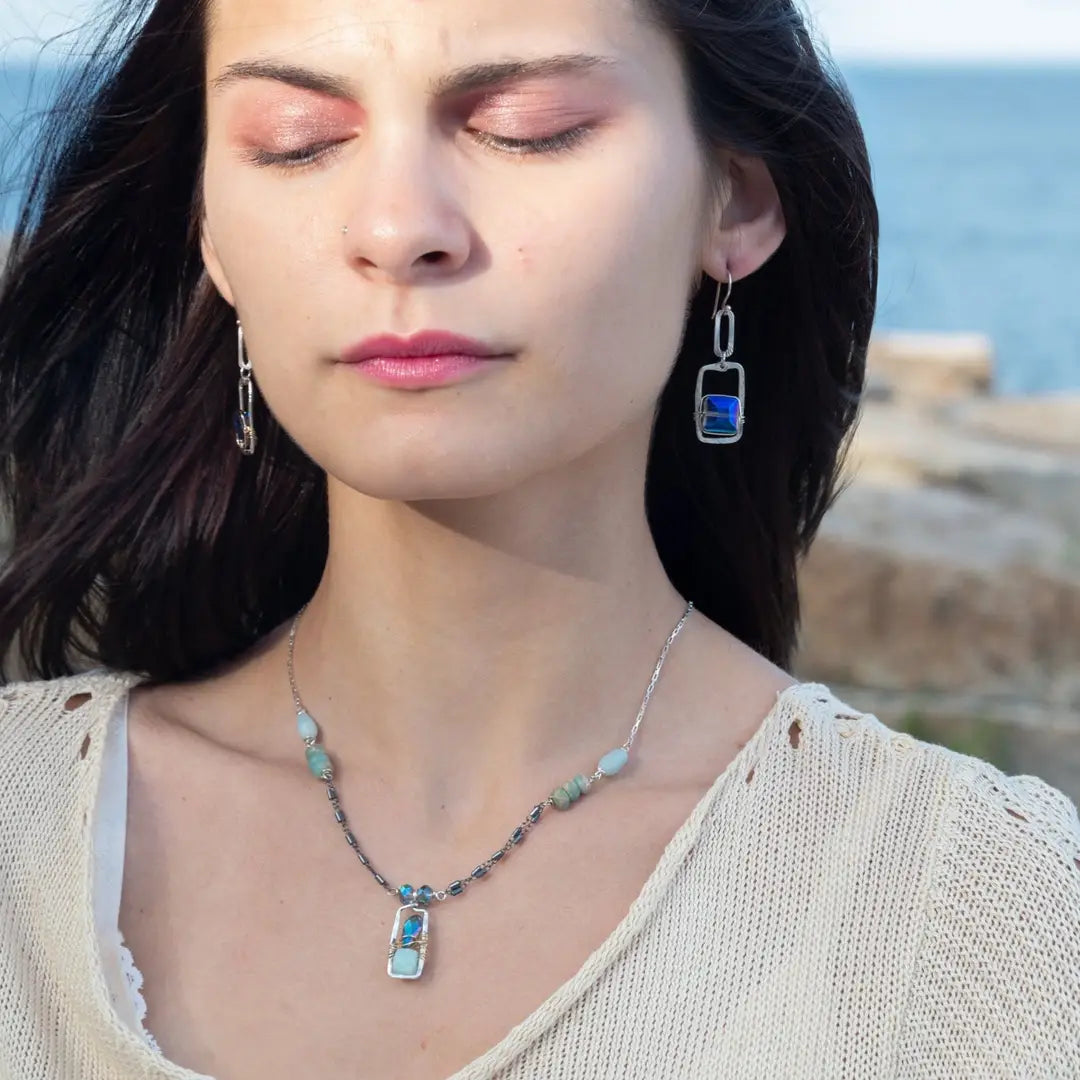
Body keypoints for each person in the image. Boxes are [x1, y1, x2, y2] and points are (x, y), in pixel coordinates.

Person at [1, 0, 1078, 1075]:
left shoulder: (982, 919)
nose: (395, 229)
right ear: (211, 233)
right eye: (300, 141)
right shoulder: (24, 810)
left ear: (735, 202)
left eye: (525, 125)